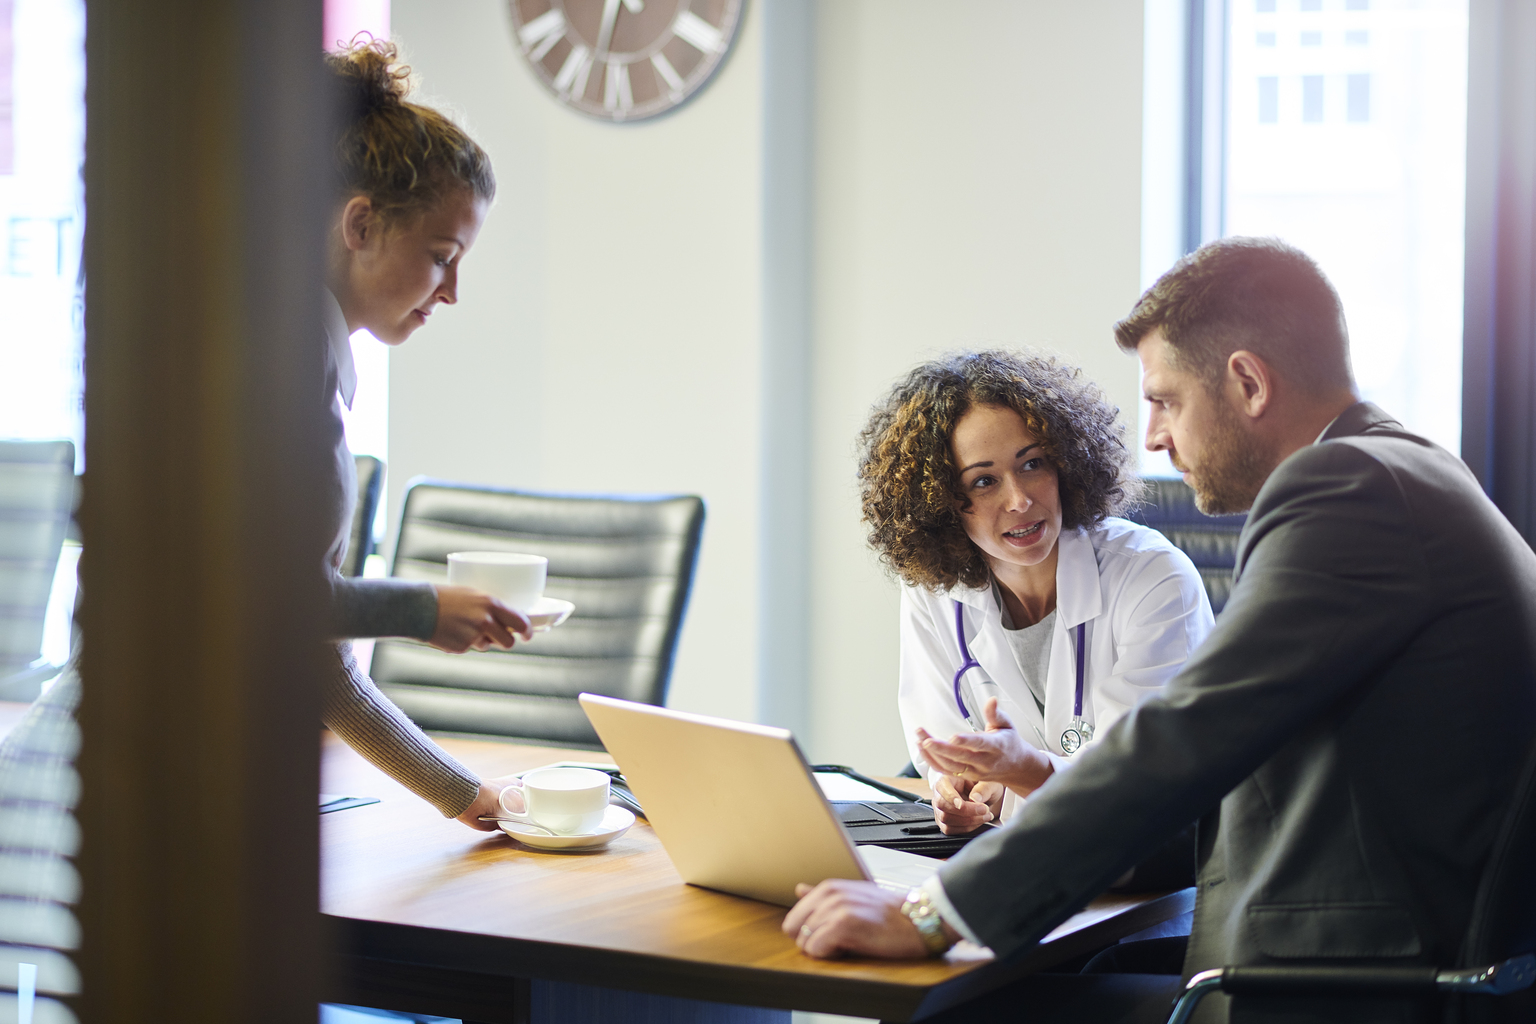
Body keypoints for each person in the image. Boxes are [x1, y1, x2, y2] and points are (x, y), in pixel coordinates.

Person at [783, 238, 1536, 1023]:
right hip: (1389, 958)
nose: (1153, 436)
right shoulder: (1400, 472)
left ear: (1246, 382)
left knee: (946, 1007)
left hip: (1342, 987)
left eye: (1166, 399)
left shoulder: (1346, 489)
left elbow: (1181, 740)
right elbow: (1229, 775)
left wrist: (934, 916)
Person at [856, 352, 1213, 835]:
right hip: (1022, 856)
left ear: (1066, 463)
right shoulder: (934, 592)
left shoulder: (1152, 575)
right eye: (983, 481)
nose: (1020, 500)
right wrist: (961, 788)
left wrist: (1019, 773)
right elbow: (943, 743)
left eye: (1033, 464)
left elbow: (1142, 785)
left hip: (1147, 868)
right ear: (940, 502)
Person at [318, 39, 527, 831]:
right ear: (361, 224)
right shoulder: (278, 359)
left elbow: (320, 660)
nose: (453, 292)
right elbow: (261, 601)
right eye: (442, 257)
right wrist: (421, 609)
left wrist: (465, 795)